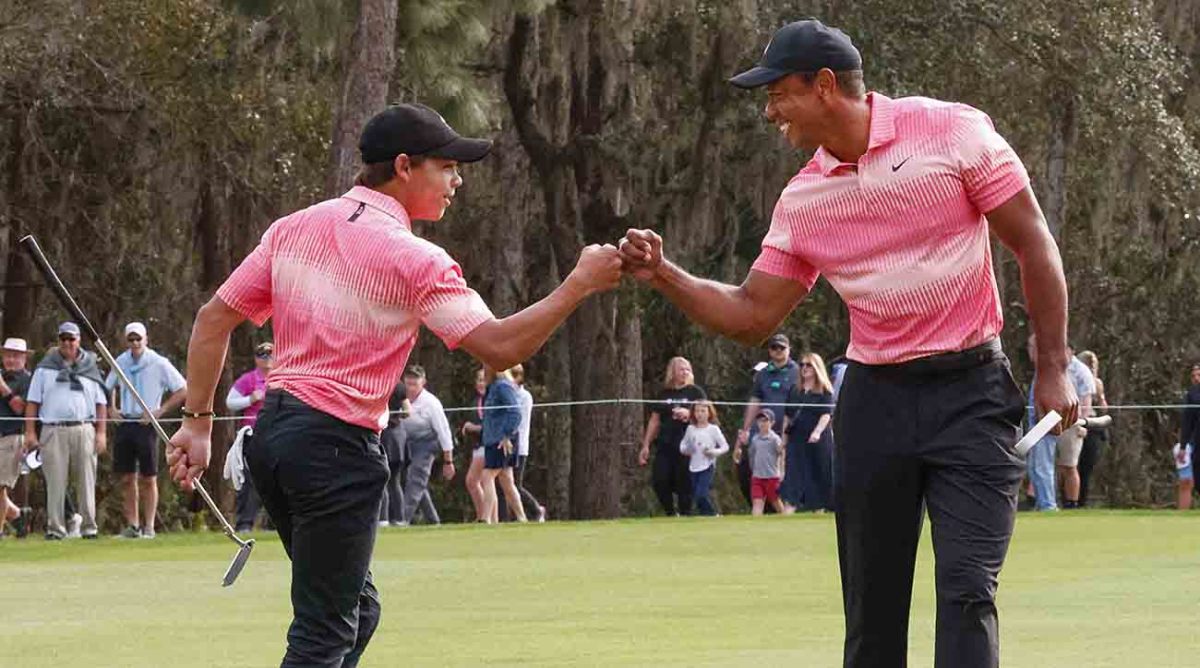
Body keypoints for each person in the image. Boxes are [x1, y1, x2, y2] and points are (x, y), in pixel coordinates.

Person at [619, 19, 1078, 667]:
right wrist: (665, 274)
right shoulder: (803, 199)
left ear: (825, 86)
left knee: (968, 593)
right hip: (875, 404)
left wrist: (1053, 367)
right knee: (872, 610)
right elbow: (752, 314)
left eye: (778, 93)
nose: (770, 110)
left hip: (972, 396)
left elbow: (1033, 241)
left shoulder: (951, 131)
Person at [166, 103, 621, 667]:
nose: (457, 179)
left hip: (275, 441)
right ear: (404, 167)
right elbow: (501, 347)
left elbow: (213, 319)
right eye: (447, 165)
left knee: (356, 613)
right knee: (323, 634)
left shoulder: (293, 228)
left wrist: (197, 424)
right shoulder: (416, 259)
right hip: (334, 450)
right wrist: (578, 284)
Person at [25, 322, 109, 540]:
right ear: (58, 341)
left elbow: (101, 404)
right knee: (55, 481)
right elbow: (33, 402)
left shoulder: (90, 367)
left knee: (87, 480)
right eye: (63, 339)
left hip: (84, 428)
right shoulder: (45, 368)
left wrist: (101, 433)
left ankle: (89, 528)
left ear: (78, 340)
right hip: (53, 430)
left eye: (71, 339)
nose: (67, 343)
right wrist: (31, 433)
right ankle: (55, 528)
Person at [105, 322, 187, 539]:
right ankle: (133, 525)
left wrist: (160, 411)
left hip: (147, 425)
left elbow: (182, 389)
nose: (135, 343)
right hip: (126, 423)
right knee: (127, 477)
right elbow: (108, 386)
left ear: (146, 339)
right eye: (131, 339)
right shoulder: (120, 361)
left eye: (138, 339)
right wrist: (112, 408)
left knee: (148, 477)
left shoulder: (159, 363)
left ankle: (149, 527)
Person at [734, 333, 799, 505]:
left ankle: (788, 505)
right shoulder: (763, 374)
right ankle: (762, 508)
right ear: (769, 351)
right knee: (759, 470)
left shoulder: (797, 371)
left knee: (785, 469)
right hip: (763, 431)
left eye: (782, 348)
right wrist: (746, 429)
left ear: (789, 349)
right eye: (774, 348)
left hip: (786, 430)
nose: (778, 351)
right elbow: (755, 402)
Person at [637, 357, 707, 516]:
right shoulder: (664, 393)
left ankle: (685, 514)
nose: (685, 372)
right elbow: (654, 421)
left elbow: (708, 415)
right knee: (659, 480)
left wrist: (689, 413)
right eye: (681, 369)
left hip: (688, 445)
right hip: (665, 444)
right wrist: (646, 444)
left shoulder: (695, 392)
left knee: (684, 483)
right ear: (673, 372)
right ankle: (670, 512)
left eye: (688, 369)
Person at [225, 341, 274, 533]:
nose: (267, 359)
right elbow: (230, 402)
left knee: (279, 478)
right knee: (251, 479)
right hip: (252, 434)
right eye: (263, 355)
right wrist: (250, 399)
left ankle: (274, 523)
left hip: (278, 433)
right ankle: (245, 523)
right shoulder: (248, 380)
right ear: (256, 359)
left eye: (270, 355)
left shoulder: (283, 378)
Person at [399, 365, 453, 525]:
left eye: (414, 384)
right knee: (415, 480)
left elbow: (444, 432)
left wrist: (448, 461)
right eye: (408, 383)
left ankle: (403, 520)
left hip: (428, 441)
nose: (410, 388)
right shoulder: (399, 397)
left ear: (423, 383)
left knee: (415, 477)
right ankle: (434, 520)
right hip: (407, 441)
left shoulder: (431, 403)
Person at [782, 352, 835, 512]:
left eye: (808, 365)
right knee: (793, 476)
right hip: (796, 439)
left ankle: (818, 511)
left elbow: (826, 414)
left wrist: (817, 432)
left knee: (818, 476)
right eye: (802, 365)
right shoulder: (794, 390)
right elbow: (788, 415)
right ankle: (788, 511)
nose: (804, 368)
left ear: (816, 368)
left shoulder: (825, 391)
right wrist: (783, 438)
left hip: (818, 442)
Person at [478, 366, 527, 523]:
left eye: (486, 369)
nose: (484, 372)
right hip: (493, 439)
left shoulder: (502, 386)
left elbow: (515, 412)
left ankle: (485, 519)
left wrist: (507, 435)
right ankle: (521, 517)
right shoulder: (492, 388)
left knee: (487, 476)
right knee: (506, 481)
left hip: (502, 441)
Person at [0, 337, 31, 538]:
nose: (11, 360)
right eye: (7, 355)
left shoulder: (28, 380)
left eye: (15, 356)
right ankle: (19, 516)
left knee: (0, 486)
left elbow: (20, 408)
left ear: (24, 359)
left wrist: (2, 387)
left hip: (12, 437)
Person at [679, 400, 729, 516]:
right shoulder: (690, 429)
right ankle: (705, 515)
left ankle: (712, 514)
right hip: (693, 466)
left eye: (703, 411)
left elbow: (725, 446)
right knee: (697, 495)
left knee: (701, 493)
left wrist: (713, 452)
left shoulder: (713, 429)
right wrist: (688, 450)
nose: (700, 414)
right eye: (697, 411)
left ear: (709, 413)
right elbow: (683, 446)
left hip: (708, 465)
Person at [510, 364, 546, 522]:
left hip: (520, 446)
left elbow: (518, 420)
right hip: (509, 444)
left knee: (516, 485)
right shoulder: (509, 394)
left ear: (519, 377)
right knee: (507, 484)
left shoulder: (524, 396)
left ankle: (536, 509)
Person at [1075, 350, 1108, 507]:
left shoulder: (1098, 383)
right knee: (1072, 464)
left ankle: (1082, 501)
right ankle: (1071, 499)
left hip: (1093, 426)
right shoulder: (1075, 378)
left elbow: (1104, 409)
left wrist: (1100, 397)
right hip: (1078, 423)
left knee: (1087, 465)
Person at [377, 380, 411, 527]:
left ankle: (383, 519)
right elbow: (408, 411)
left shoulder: (377, 382)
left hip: (385, 435)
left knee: (383, 480)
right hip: (399, 436)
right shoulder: (399, 385)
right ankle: (399, 519)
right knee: (395, 481)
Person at [748, 408, 786, 515]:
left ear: (772, 423)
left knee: (776, 502)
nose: (762, 423)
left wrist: (782, 471)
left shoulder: (775, 439)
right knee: (757, 503)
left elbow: (781, 454)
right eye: (760, 421)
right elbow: (752, 455)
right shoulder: (755, 439)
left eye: (765, 421)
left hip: (772, 477)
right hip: (757, 477)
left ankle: (786, 521)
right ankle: (755, 527)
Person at [461, 367, 487, 521]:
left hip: (488, 445)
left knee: (474, 480)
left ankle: (485, 517)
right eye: (479, 380)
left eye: (484, 380)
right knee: (478, 482)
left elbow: (490, 425)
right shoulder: (477, 400)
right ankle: (484, 516)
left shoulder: (490, 400)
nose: (481, 383)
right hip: (479, 445)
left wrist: (472, 427)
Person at [1176, 363, 1200, 510]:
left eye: (1199, 375)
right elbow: (1187, 422)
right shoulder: (1192, 394)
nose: (1196, 378)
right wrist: (1183, 446)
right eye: (1194, 376)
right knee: (1196, 476)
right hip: (1197, 442)